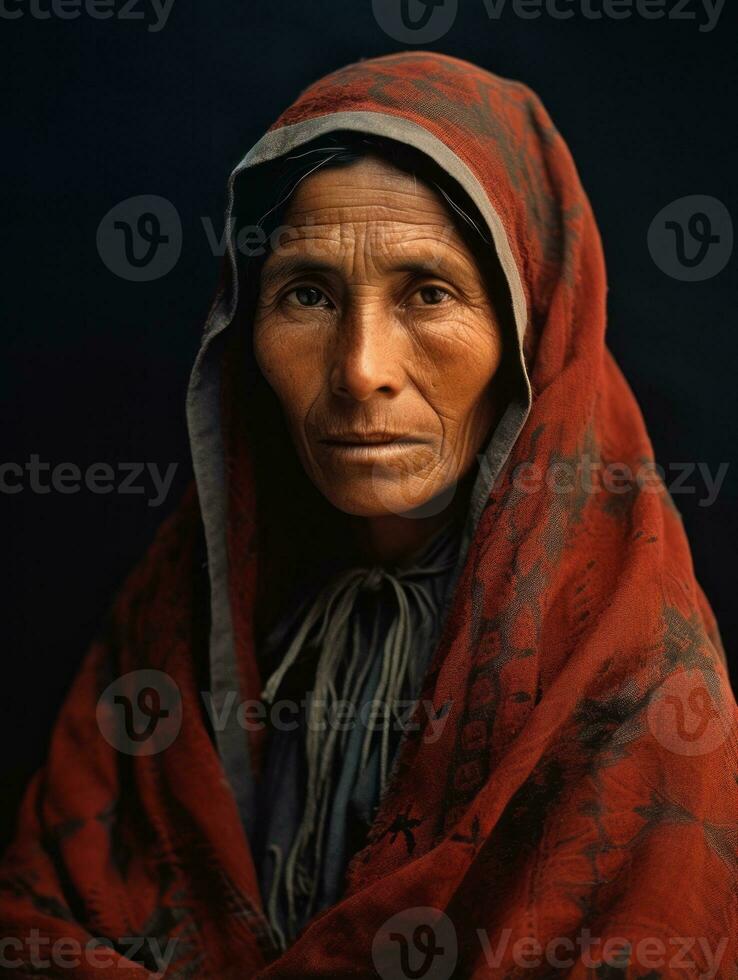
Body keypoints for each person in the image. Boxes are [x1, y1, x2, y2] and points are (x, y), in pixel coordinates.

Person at [1, 51, 736, 979]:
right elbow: (42, 912)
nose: (359, 370)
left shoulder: (629, 679)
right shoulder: (189, 611)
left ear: (530, 331)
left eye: (429, 293)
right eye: (306, 295)